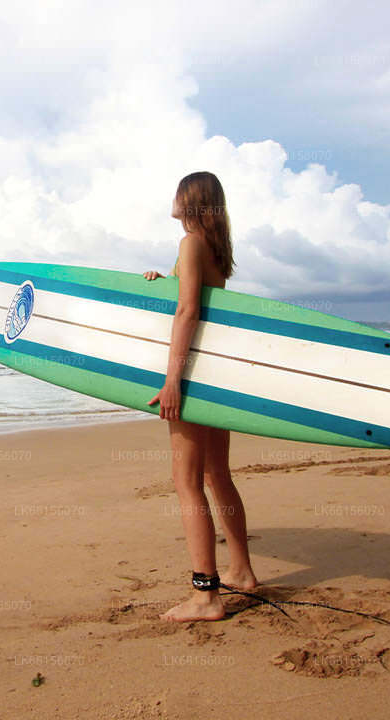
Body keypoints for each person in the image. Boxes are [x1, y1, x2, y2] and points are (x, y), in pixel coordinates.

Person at [144, 171, 258, 622]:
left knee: (187, 482)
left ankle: (206, 596)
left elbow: (188, 311)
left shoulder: (190, 243)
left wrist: (173, 380)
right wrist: (162, 280)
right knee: (217, 475)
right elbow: (194, 300)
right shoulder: (213, 248)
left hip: (190, 373)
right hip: (214, 374)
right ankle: (242, 571)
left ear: (188, 200)